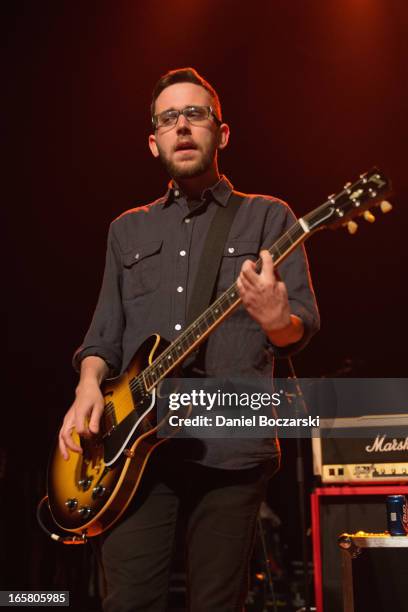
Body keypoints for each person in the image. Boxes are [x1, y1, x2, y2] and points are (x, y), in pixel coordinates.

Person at [58, 67, 319, 612]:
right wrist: (87, 385)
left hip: (230, 448)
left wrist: (275, 320)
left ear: (221, 133)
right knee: (127, 601)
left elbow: (297, 328)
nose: (182, 127)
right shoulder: (126, 229)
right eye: (169, 118)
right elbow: (103, 335)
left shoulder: (271, 217)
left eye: (195, 115)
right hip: (132, 453)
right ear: (153, 141)